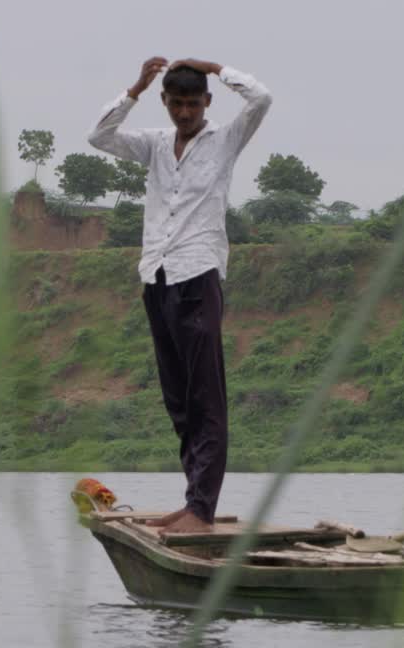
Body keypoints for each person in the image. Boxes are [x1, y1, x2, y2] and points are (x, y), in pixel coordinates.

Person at [88, 57, 272, 535]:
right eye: (176, 103)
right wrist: (136, 88)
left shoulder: (226, 139)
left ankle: (202, 511)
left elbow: (261, 98)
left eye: (193, 103)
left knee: (206, 396)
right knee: (179, 399)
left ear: (207, 102)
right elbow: (100, 137)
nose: (185, 112)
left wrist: (216, 67)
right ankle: (193, 502)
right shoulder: (154, 145)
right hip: (158, 277)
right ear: (166, 102)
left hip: (198, 275)